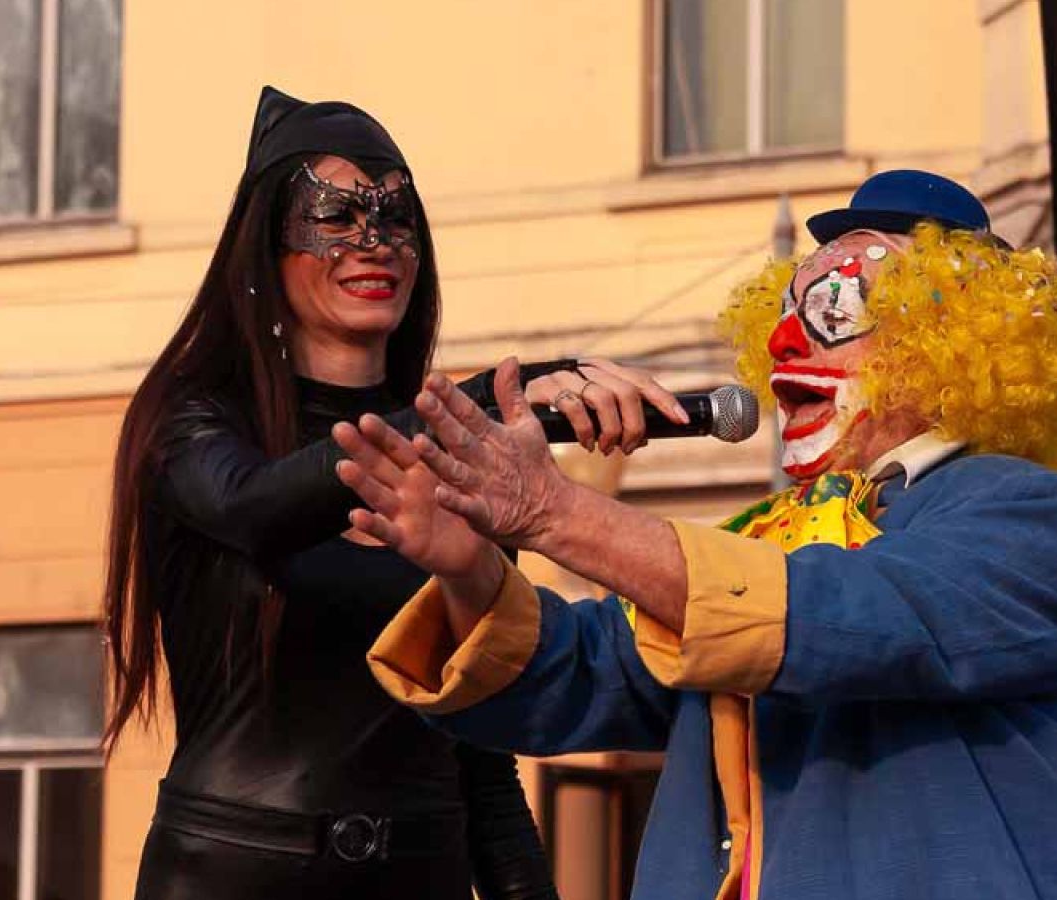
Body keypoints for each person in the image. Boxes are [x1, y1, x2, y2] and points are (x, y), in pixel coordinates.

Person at [343, 170, 1057, 899]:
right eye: (784, 314)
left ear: (947, 342)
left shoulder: (1036, 518)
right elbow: (580, 680)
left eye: (833, 313)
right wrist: (469, 569)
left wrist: (555, 513)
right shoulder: (769, 542)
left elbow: (847, 617)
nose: (784, 344)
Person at [102, 86, 686, 899]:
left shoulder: (465, 459)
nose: (372, 243)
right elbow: (254, 508)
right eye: (336, 216)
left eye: (395, 218)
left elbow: (484, 766)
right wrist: (481, 404)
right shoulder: (194, 419)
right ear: (267, 248)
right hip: (232, 875)